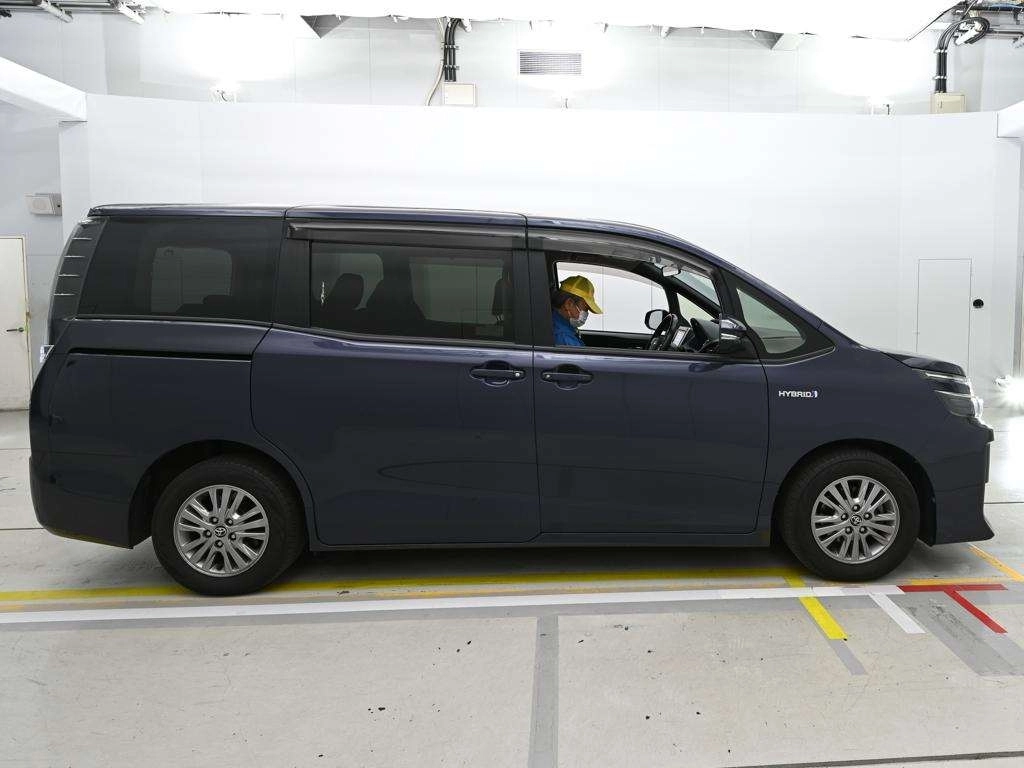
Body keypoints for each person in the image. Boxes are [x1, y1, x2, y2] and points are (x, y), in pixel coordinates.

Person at [551, 275, 603, 347]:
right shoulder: (565, 338)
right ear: (569, 304)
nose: (586, 313)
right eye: (585, 308)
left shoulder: (559, 322)